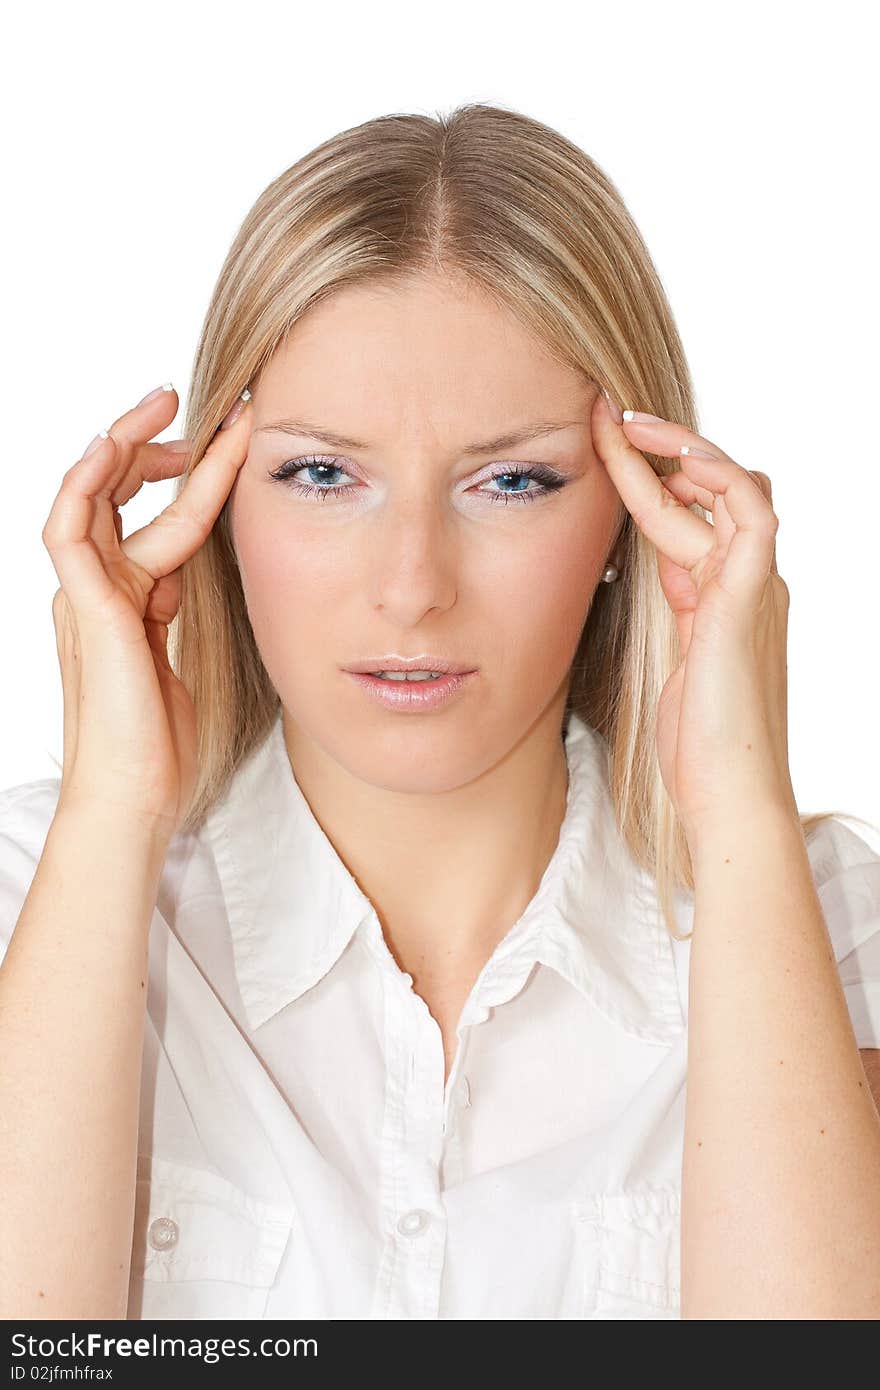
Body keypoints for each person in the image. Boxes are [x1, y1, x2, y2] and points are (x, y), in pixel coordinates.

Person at [1, 103, 879, 1322]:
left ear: (636, 513)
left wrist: (737, 807)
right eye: (322, 473)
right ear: (215, 501)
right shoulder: (32, 892)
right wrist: (110, 810)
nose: (412, 585)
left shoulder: (822, 927)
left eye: (510, 480)